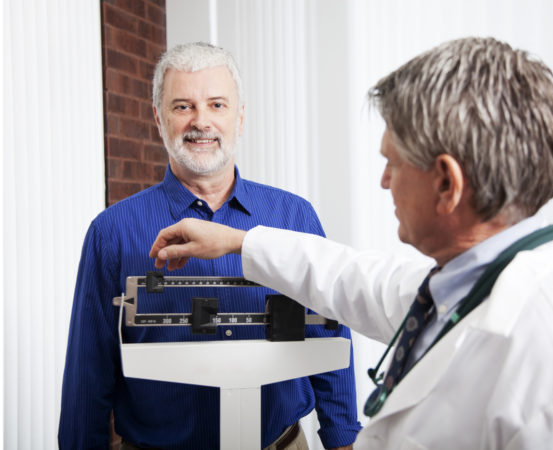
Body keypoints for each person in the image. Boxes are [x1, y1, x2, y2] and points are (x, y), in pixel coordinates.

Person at [149, 37, 553, 449]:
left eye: (393, 162)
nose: (383, 181)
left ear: (446, 183)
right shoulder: (465, 284)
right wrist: (238, 242)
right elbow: (350, 279)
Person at [58, 42, 361, 450]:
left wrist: (342, 439)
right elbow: (88, 368)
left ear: (240, 117)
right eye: (182, 106)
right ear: (158, 118)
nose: (201, 122)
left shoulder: (295, 217)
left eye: (217, 105)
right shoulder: (112, 231)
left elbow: (330, 333)